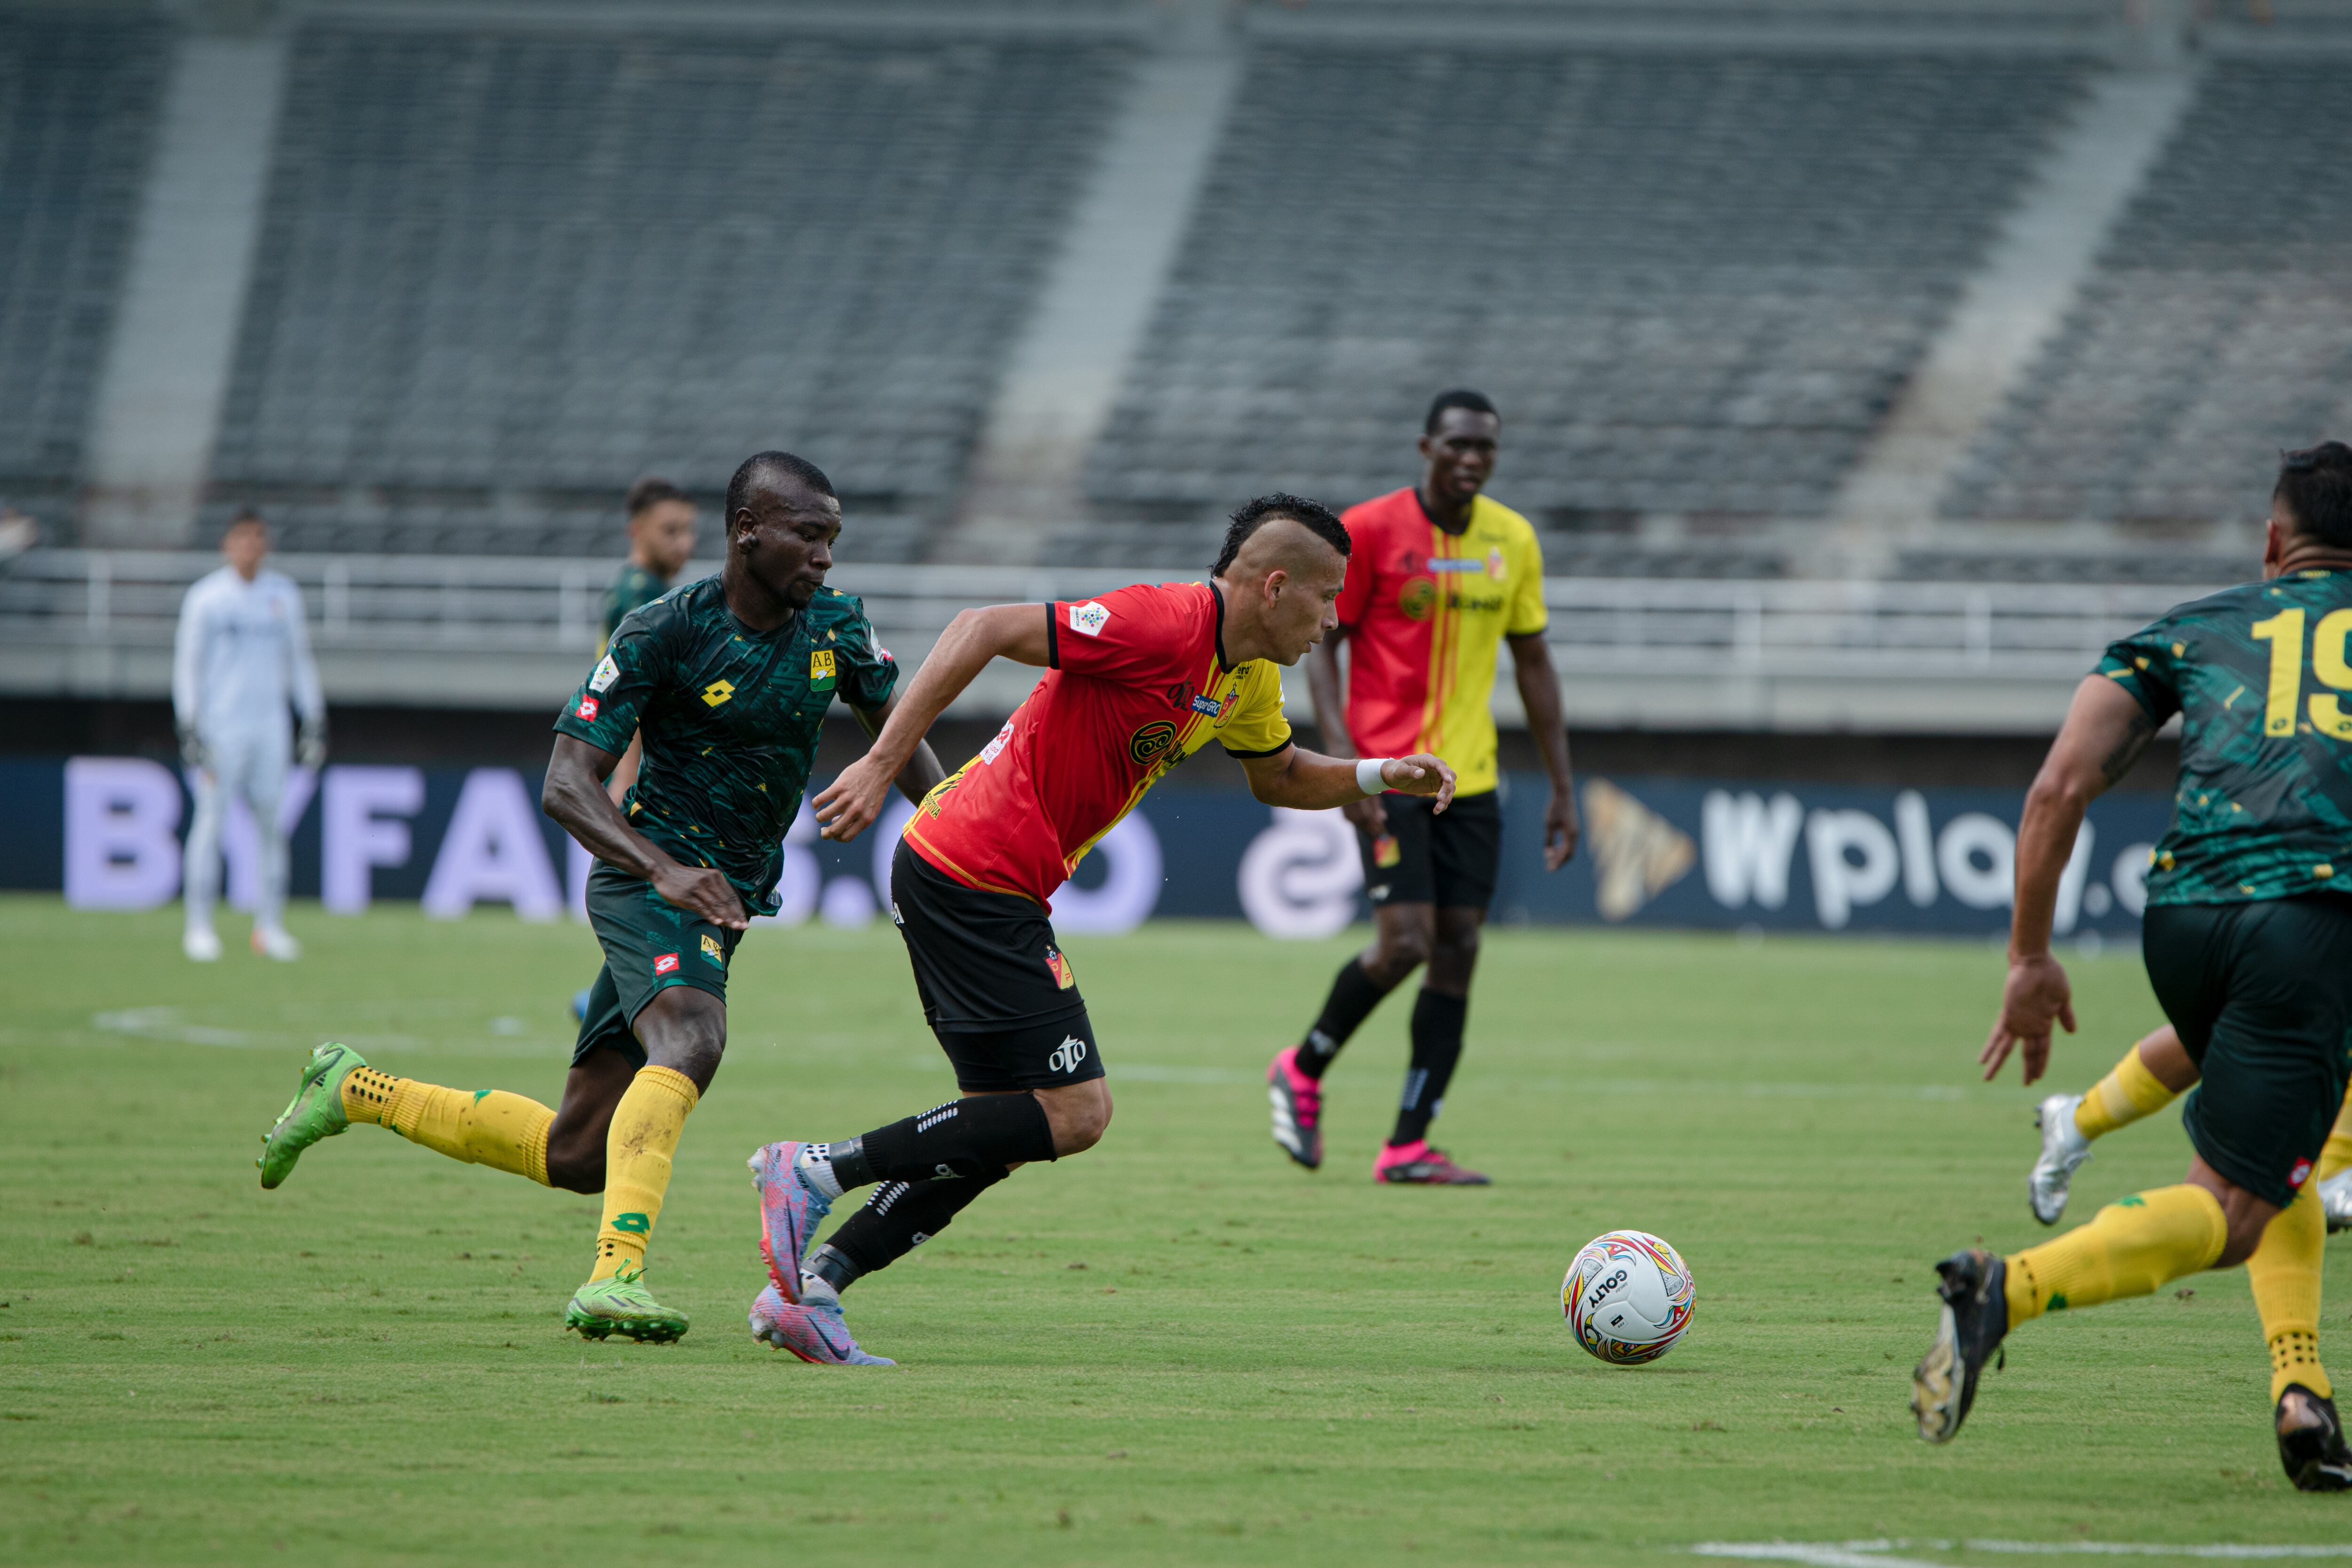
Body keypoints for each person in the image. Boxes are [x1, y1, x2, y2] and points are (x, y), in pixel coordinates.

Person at [740, 494, 1460, 1366]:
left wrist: (1382, 772)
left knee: (1004, 1127)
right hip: (974, 866)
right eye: (1327, 596)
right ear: (1276, 587)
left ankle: (813, 1290)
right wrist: (884, 758)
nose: (1333, 617)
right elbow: (980, 626)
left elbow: (1279, 777)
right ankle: (814, 1167)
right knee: (1077, 1113)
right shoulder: (1161, 622)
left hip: (989, 875)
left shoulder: (1249, 675)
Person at [252, 453, 943, 1344]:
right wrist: (661, 869)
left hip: (722, 896)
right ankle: (617, 1273)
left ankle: (355, 1088)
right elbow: (566, 784)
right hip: (648, 879)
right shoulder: (664, 629)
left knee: (578, 1151)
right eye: (809, 537)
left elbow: (903, 736)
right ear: (749, 534)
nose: (825, 559)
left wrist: (963, 836)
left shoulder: (838, 627)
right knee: (694, 1033)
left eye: (833, 539)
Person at [1912, 442, 2352, 1491]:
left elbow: (2056, 789)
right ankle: (2004, 1287)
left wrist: (2028, 957)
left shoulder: (2193, 629)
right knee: (2234, 1209)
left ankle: (2305, 1394)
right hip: (2312, 920)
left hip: (2183, 916)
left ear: (2271, 540)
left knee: (2273, 1139)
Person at [1264, 389, 1578, 1185]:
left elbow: (1534, 663)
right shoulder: (1370, 531)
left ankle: (1409, 1142)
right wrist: (1344, 761)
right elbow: (1326, 643)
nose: (1472, 459)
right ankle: (1303, 1067)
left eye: (1486, 448)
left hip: (1470, 777)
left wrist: (1562, 787)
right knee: (1405, 941)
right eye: (1458, 445)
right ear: (1426, 448)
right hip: (1389, 771)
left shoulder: (1514, 540)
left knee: (1460, 948)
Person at [173, 509, 325, 963]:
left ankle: (270, 926)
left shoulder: (282, 594)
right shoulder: (207, 598)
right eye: (243, 539)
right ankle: (199, 925)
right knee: (210, 824)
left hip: (270, 728)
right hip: (221, 729)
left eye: (258, 539)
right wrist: (190, 723)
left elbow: (299, 660)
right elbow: (188, 665)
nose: (251, 547)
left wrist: (312, 718)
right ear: (227, 545)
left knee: (271, 827)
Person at [601, 477, 699, 804]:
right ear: (637, 530)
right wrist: (627, 778)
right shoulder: (642, 596)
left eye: (688, 530)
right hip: (643, 780)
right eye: (670, 531)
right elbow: (631, 690)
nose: (684, 543)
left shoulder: (629, 586)